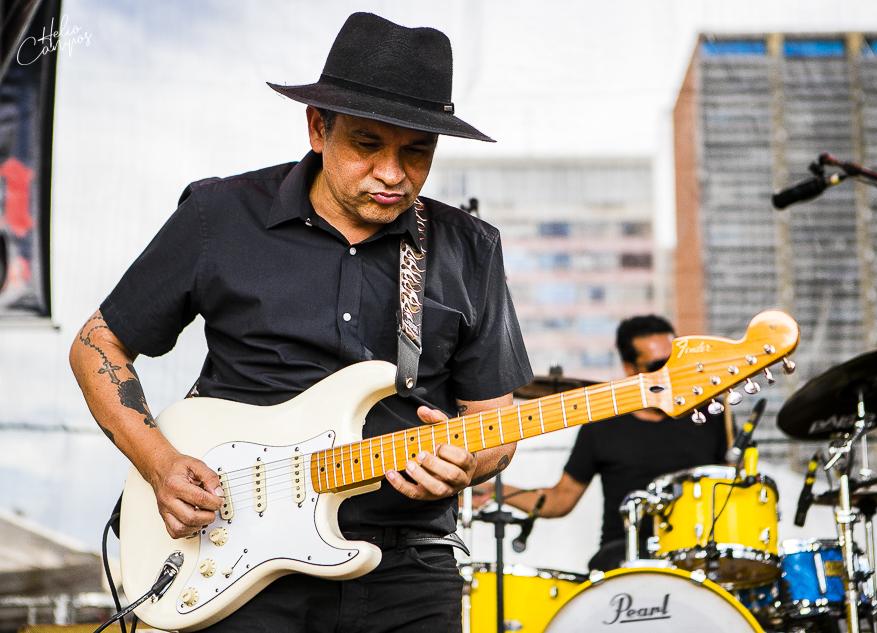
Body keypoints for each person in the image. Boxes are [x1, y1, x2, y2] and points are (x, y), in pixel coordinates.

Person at [69, 13, 532, 633]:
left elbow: (495, 423)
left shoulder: (468, 247)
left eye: (417, 152)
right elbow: (97, 343)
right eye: (367, 145)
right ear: (318, 127)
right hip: (233, 555)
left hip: (408, 569)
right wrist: (159, 462)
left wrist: (468, 464)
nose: (393, 173)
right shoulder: (220, 215)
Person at [487, 315, 729, 572]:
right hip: (623, 556)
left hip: (700, 553)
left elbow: (735, 484)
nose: (670, 371)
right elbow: (560, 499)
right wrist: (492, 491)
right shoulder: (603, 425)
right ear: (629, 368)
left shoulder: (710, 413)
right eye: (658, 365)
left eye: (675, 361)